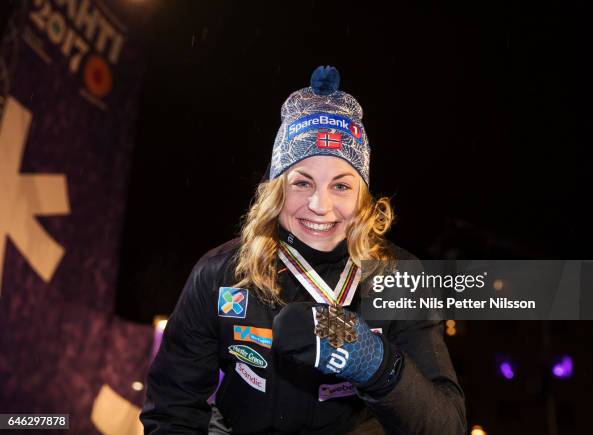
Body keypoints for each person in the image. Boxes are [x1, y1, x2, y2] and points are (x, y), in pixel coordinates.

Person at [140, 66, 467, 434]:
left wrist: (377, 363)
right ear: (276, 189)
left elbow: (447, 425)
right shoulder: (221, 273)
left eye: (341, 186)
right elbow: (172, 409)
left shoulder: (397, 277)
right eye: (302, 182)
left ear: (364, 198)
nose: (319, 205)